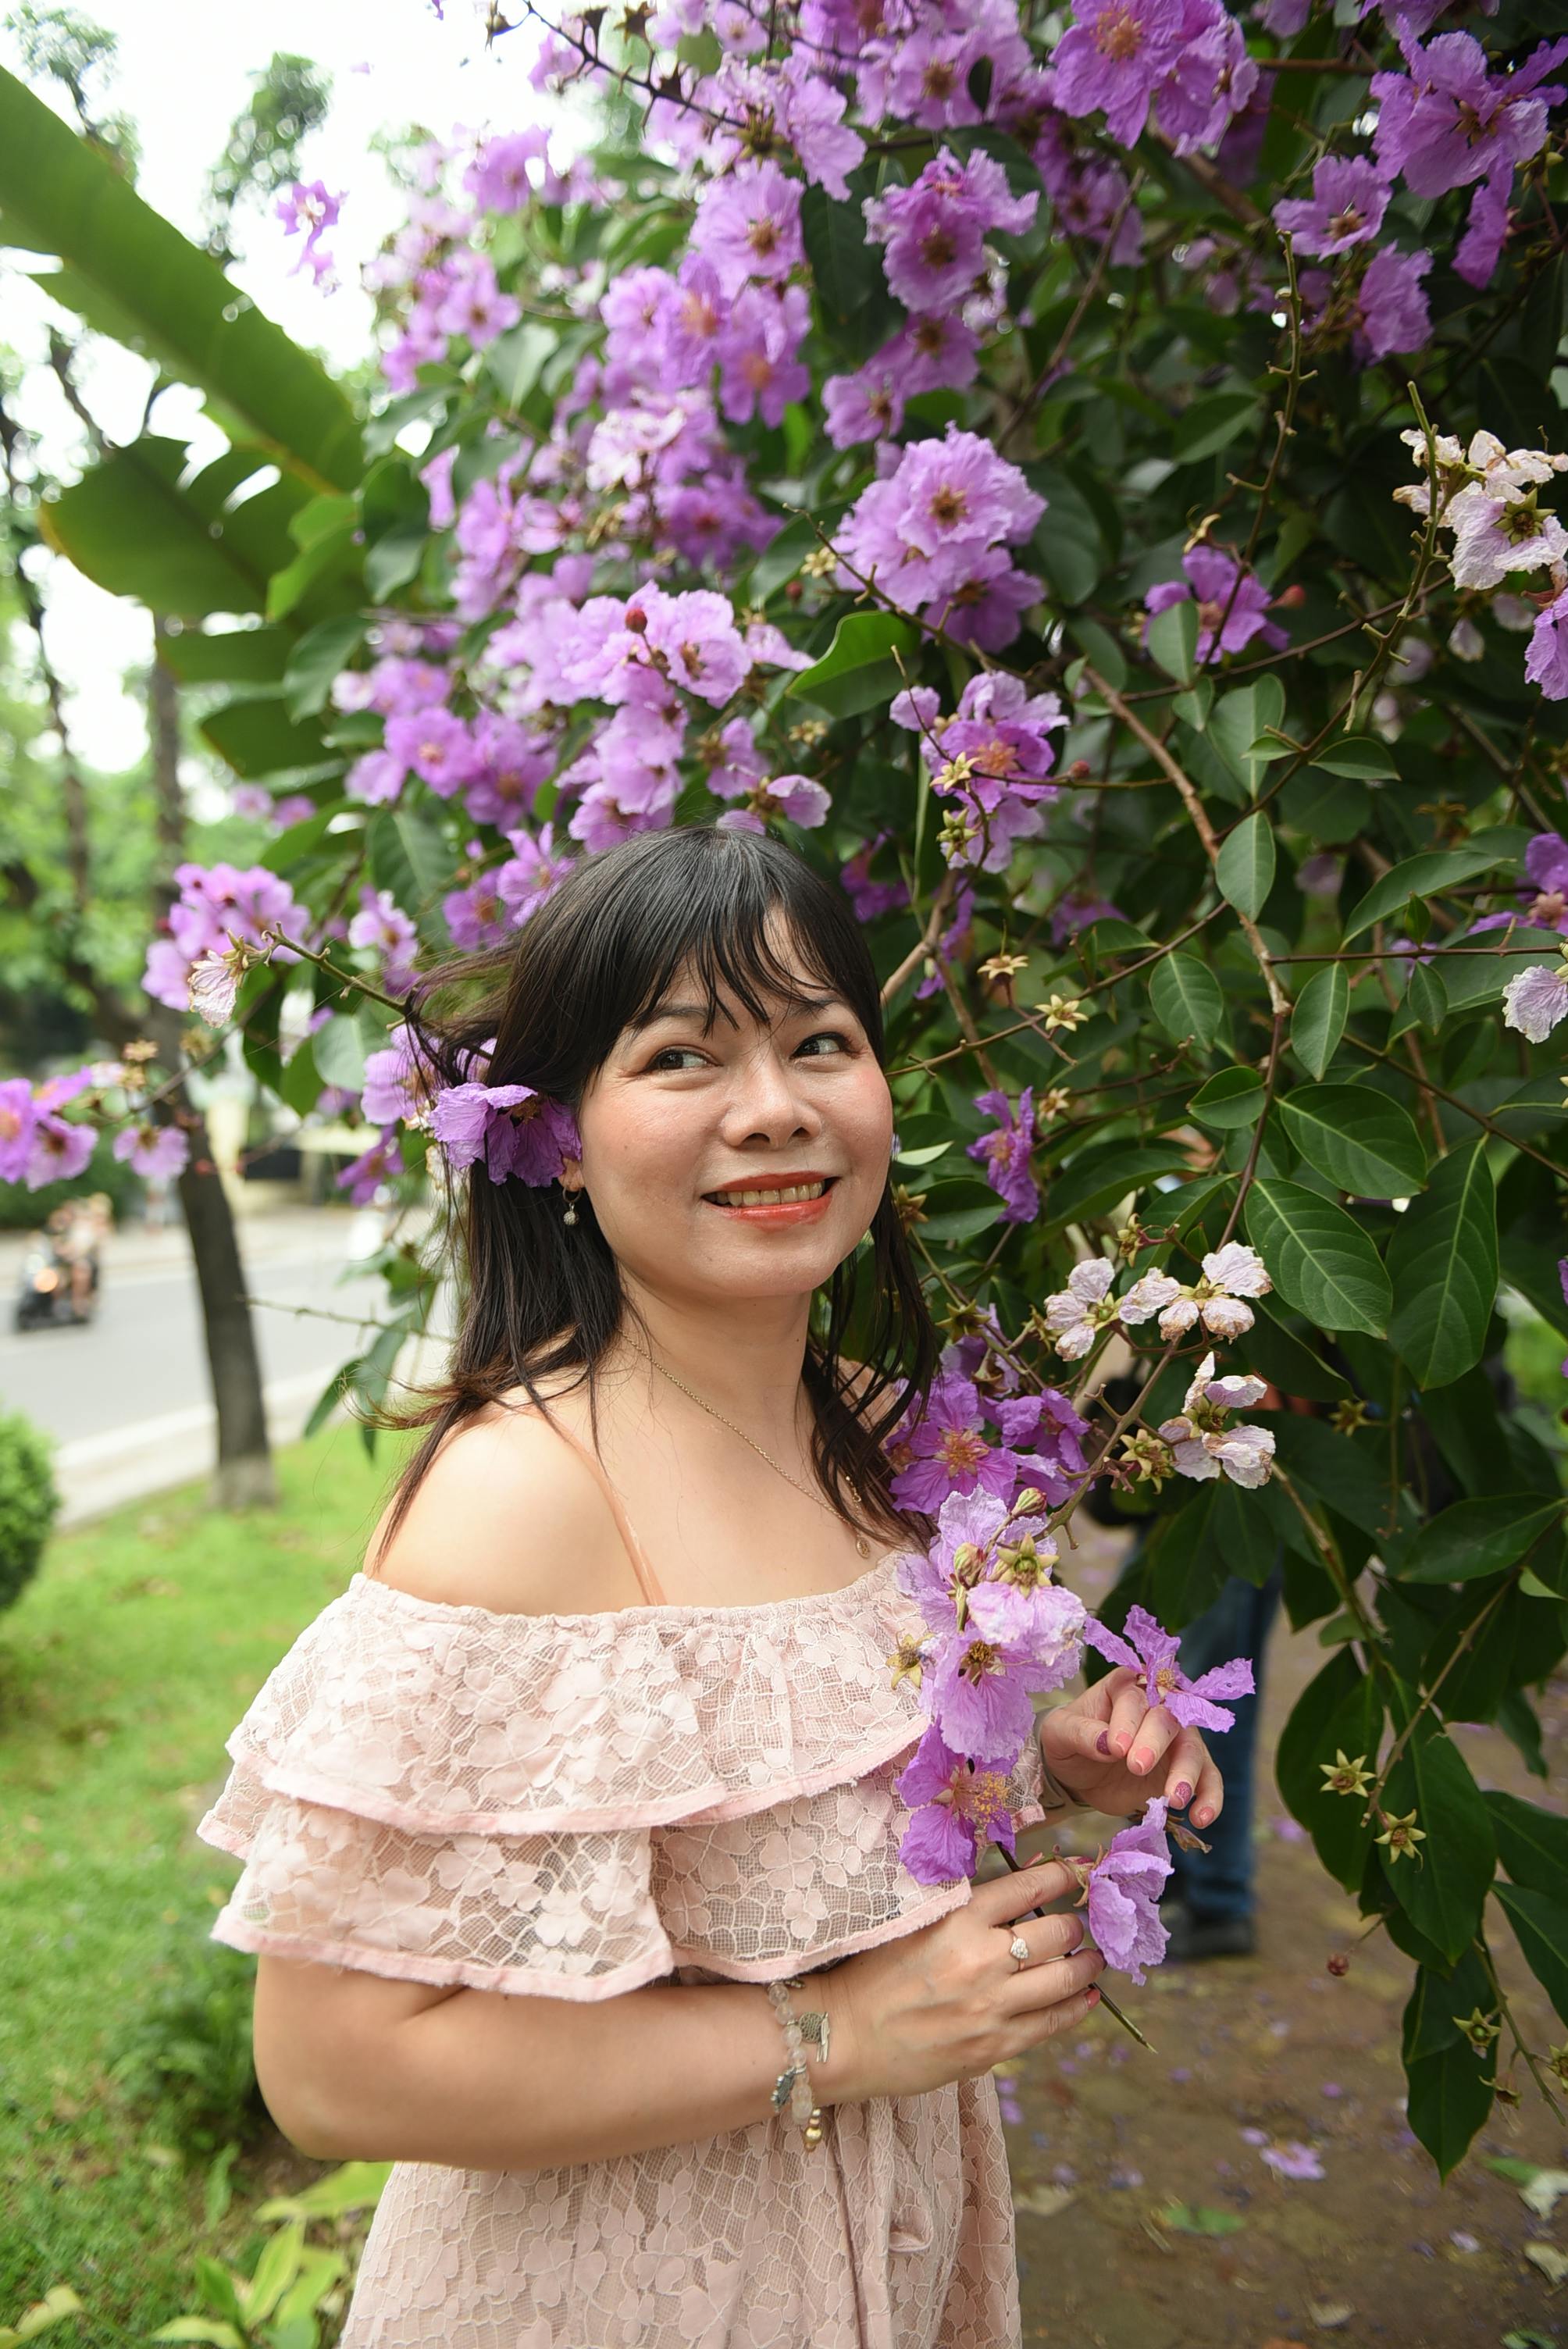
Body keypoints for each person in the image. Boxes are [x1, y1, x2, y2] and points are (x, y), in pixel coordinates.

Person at [196, 828, 1224, 2349]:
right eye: (685, 1056)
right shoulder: (525, 1497)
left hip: (882, 2252)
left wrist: (1047, 1767)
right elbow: (336, 2069)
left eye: (820, 1040)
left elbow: (783, 1843)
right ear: (557, 1132)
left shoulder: (884, 1439)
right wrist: (833, 2035)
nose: (773, 1109)